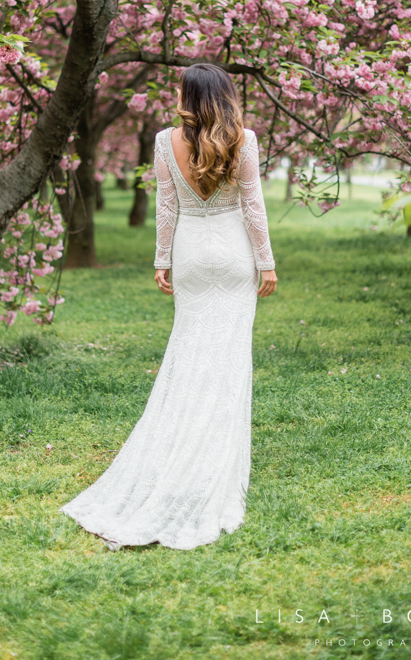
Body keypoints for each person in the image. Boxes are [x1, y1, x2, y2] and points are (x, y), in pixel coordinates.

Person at [61, 64, 277, 550]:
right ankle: (210, 460)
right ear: (225, 95)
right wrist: (266, 263)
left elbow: (167, 207)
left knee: (188, 351)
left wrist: (162, 260)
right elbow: (253, 206)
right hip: (234, 253)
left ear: (187, 96)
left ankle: (178, 446)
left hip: (191, 256)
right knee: (227, 358)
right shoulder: (244, 138)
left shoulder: (163, 141)